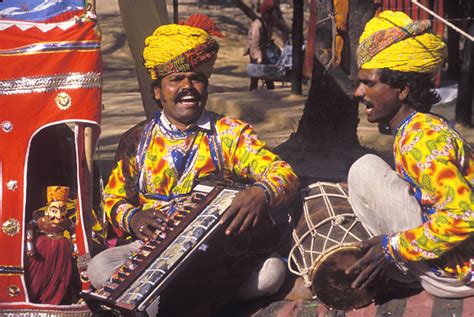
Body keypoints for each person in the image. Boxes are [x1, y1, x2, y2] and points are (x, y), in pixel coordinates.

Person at [87, 13, 299, 311]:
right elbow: (113, 198)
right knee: (99, 267)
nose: (188, 87)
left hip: (216, 251)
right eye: (176, 79)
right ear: (158, 92)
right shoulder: (135, 140)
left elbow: (283, 173)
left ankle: (162, 298)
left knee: (271, 275)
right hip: (152, 250)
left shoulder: (230, 133)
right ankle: (184, 295)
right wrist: (133, 218)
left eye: (196, 78)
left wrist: (260, 192)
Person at [346, 10, 473, 298]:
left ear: (402, 89)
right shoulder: (418, 127)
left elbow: (464, 215)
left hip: (456, 274)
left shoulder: (420, 139)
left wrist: (392, 249)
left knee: (364, 169)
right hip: (458, 260)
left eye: (369, 83)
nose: (358, 92)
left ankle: (401, 273)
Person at [244, 0, 277, 91]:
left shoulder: (271, 20)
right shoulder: (257, 25)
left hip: (264, 48)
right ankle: (253, 90)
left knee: (267, 71)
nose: (271, 15)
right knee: (256, 72)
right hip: (255, 49)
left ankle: (270, 89)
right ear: (264, 13)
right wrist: (258, 56)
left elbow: (281, 25)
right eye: (269, 13)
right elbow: (255, 42)